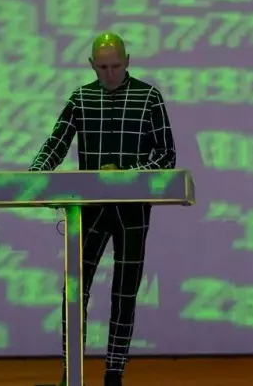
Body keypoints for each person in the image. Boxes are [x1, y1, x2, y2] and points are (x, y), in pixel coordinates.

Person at [30, 32, 177, 386]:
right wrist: (35, 176)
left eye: (115, 66)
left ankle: (114, 372)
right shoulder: (81, 98)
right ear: (91, 65)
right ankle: (72, 373)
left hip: (132, 211)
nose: (109, 73)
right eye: (102, 67)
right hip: (89, 211)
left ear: (127, 60)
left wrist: (127, 175)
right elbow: (56, 143)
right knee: (74, 291)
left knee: (124, 292)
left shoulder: (148, 98)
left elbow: (167, 156)